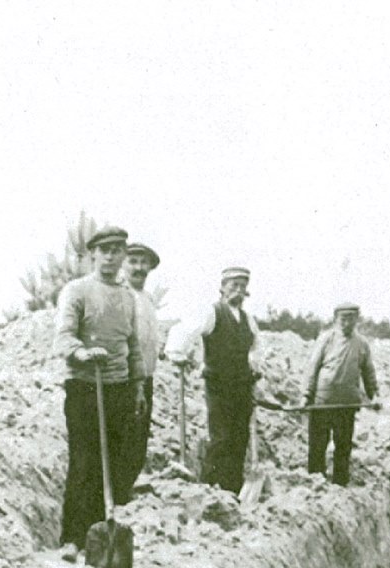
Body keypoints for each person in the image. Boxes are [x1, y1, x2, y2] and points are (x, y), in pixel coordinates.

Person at [52, 225, 144, 550]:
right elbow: (63, 335)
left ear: (123, 255)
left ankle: (100, 535)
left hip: (118, 388)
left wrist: (138, 386)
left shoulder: (127, 297)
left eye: (117, 250)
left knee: (114, 463)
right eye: (104, 250)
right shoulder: (76, 291)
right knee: (85, 462)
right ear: (93, 254)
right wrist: (81, 352)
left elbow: (133, 346)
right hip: (85, 387)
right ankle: (73, 539)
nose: (110, 256)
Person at [166, 267, 261, 494]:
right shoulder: (213, 312)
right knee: (221, 437)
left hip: (242, 386)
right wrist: (178, 354)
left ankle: (234, 490)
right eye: (233, 284)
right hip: (219, 385)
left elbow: (256, 346)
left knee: (240, 438)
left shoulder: (248, 319)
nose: (237, 290)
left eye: (242, 285)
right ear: (222, 287)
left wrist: (255, 365)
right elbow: (185, 331)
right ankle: (211, 489)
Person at [301, 303, 380, 486]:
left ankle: (340, 483)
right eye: (343, 319)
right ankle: (316, 481)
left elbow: (368, 371)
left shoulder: (361, 344)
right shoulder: (326, 339)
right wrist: (306, 395)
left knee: (343, 445)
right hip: (322, 402)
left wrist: (374, 394)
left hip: (347, 404)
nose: (346, 323)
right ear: (336, 319)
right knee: (318, 444)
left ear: (356, 320)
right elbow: (312, 367)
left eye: (351, 318)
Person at [123, 242, 163, 490]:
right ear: (123, 264)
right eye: (133, 261)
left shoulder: (148, 299)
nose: (139, 268)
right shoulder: (119, 294)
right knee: (125, 435)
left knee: (139, 437)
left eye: (143, 263)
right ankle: (119, 491)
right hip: (124, 376)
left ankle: (128, 487)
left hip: (146, 375)